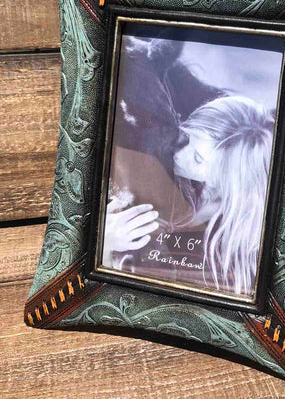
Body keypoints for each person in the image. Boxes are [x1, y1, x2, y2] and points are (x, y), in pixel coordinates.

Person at [103, 94, 275, 297]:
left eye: (198, 158)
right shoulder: (163, 164)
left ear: (228, 180)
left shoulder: (225, 258)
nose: (178, 154)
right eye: (185, 137)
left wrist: (105, 246)